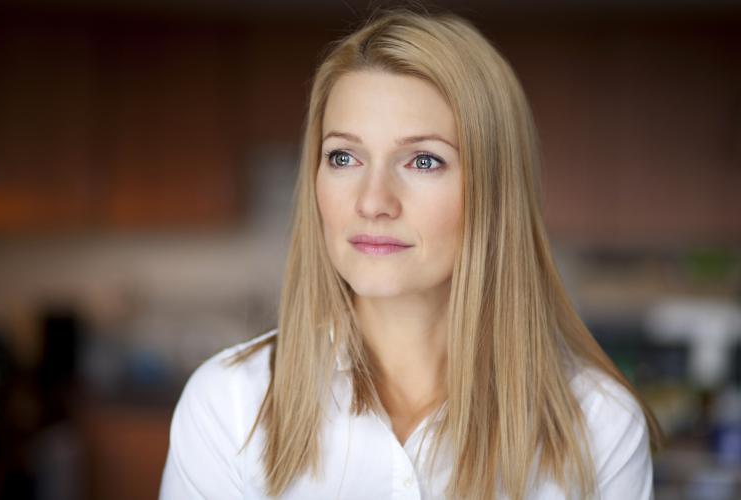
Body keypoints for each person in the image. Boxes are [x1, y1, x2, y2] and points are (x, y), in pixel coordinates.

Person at [159, 6, 663, 500]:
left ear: (495, 189)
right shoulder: (228, 404)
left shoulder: (600, 426)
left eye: (423, 160)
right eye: (343, 157)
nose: (372, 201)